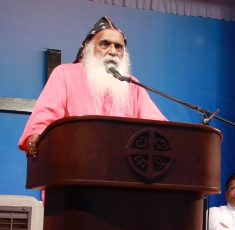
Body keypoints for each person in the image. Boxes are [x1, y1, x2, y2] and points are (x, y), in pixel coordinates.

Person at [19, 16, 165, 157]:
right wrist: (38, 134)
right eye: (105, 44)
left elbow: (159, 129)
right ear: (89, 48)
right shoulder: (64, 75)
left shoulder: (132, 85)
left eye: (118, 47)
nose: (113, 51)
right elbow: (45, 116)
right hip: (74, 164)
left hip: (123, 171)